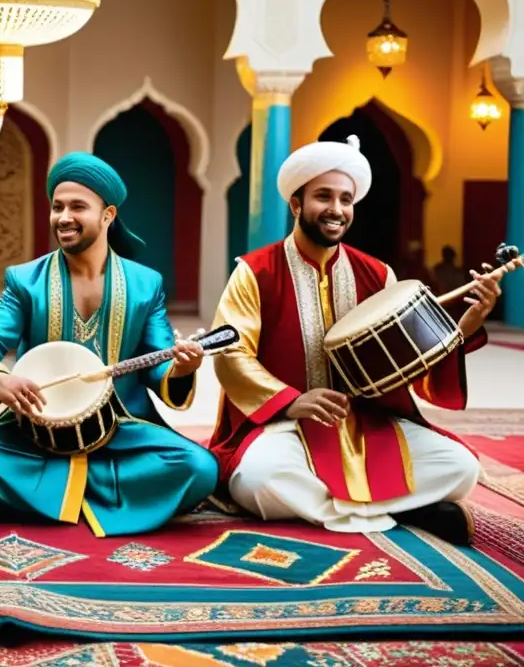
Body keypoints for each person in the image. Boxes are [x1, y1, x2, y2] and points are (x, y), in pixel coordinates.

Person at [209, 135, 500, 545]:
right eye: (323, 197)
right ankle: (405, 508)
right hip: (284, 424)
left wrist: (465, 327)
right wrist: (292, 400)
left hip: (367, 422)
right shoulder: (256, 271)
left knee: (462, 467)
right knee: (259, 480)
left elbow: (408, 364)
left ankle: (338, 509)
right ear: (296, 204)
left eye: (345, 200)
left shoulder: (378, 274)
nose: (336, 209)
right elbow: (231, 353)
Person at [0, 152, 218, 537]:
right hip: (34, 433)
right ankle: (113, 501)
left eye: (77, 207)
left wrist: (182, 369)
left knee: (200, 468)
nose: (63, 217)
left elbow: (157, 362)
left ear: (108, 215)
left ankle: (26, 500)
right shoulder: (26, 280)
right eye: (57, 207)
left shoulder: (144, 284)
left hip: (120, 432)